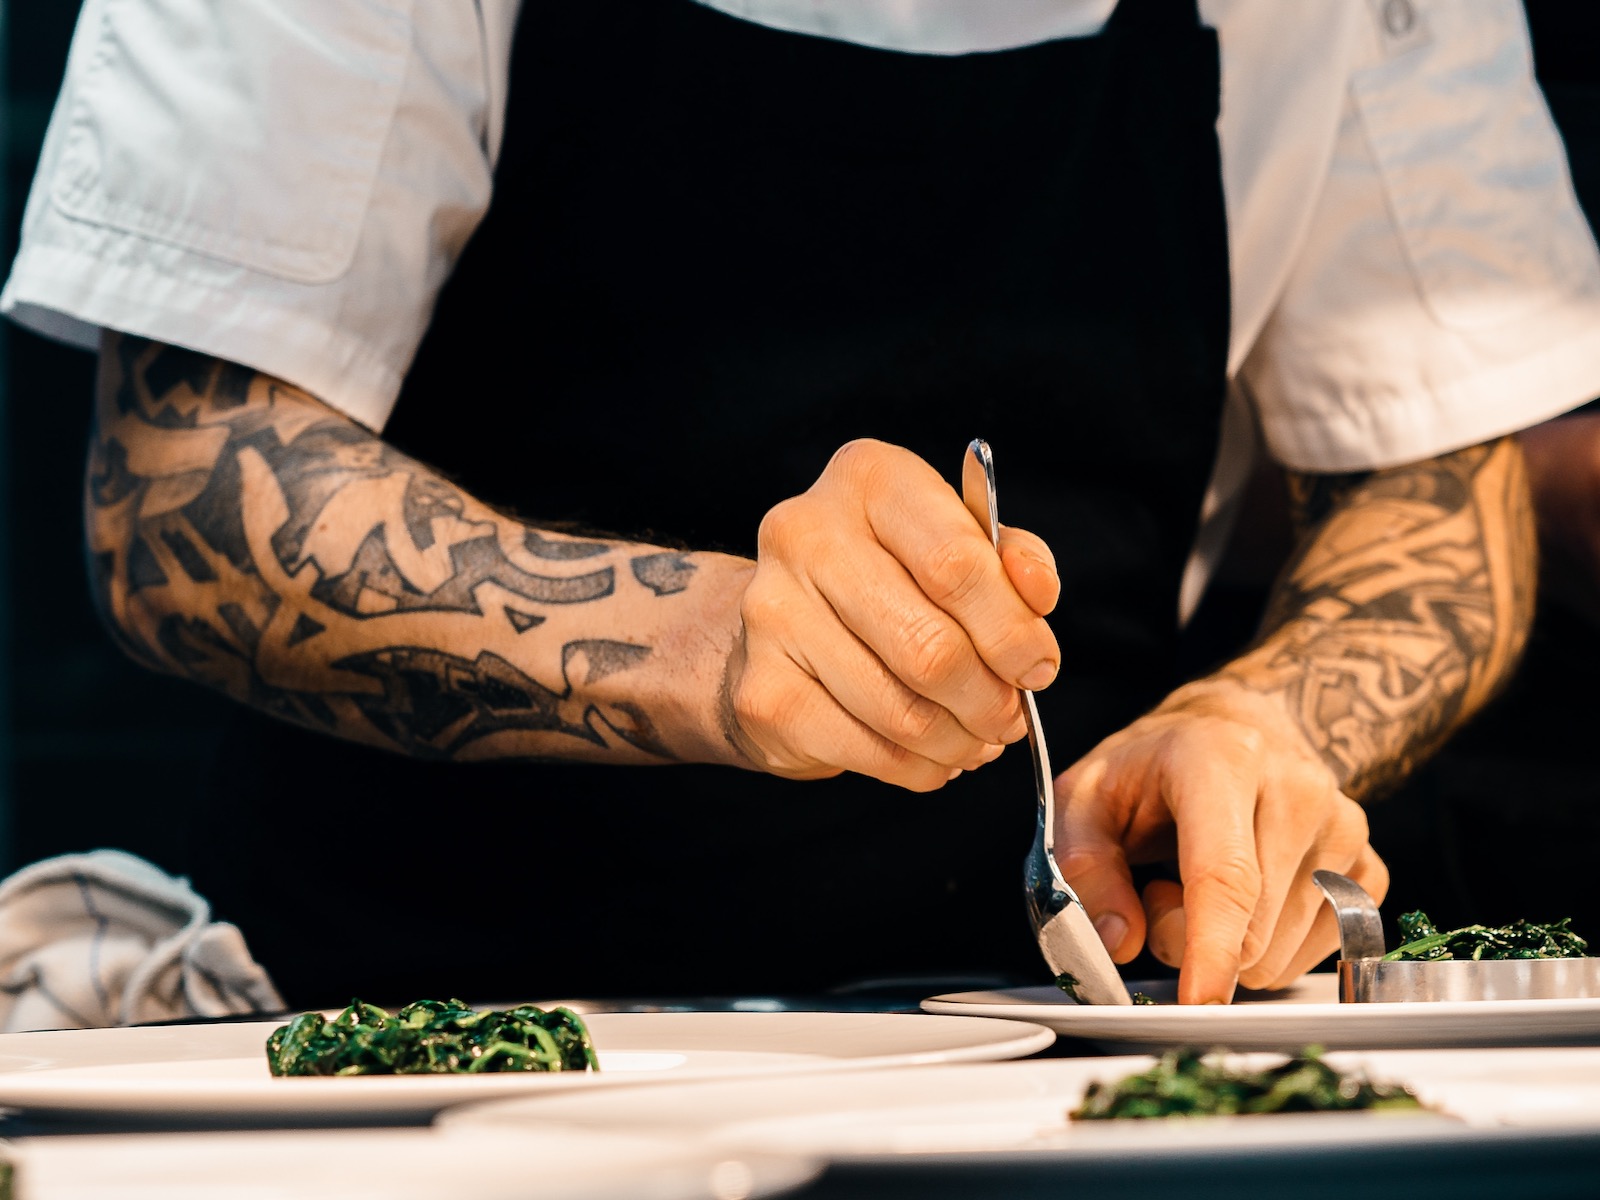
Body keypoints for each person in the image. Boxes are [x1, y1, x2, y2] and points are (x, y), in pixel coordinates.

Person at [5, 0, 1599, 1008]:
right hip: (419, 1040)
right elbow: (181, 485)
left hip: (1058, 1056)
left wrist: (1264, 729)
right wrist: (705, 641)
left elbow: (1438, 475)